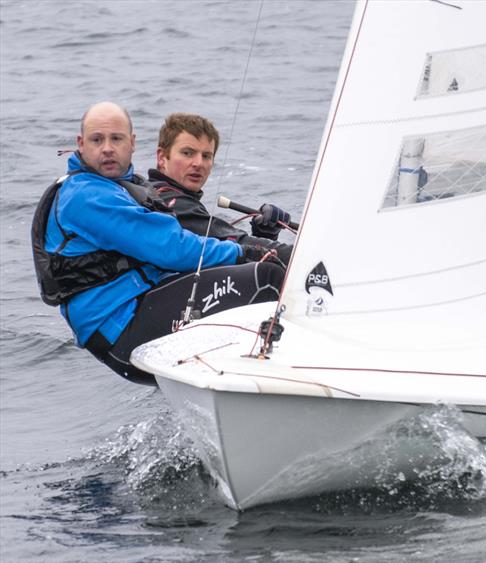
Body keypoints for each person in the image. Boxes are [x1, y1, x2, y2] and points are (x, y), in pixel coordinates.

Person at [32, 101, 285, 385]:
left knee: (254, 281)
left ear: (132, 143)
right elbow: (171, 249)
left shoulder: (121, 186)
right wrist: (243, 252)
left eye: (116, 138)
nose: (107, 148)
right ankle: (279, 388)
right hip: (125, 330)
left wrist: (261, 242)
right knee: (267, 278)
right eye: (97, 139)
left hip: (139, 311)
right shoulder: (86, 196)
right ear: (81, 144)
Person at [147, 112, 293, 265]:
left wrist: (265, 234)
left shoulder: (163, 194)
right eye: (187, 153)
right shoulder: (169, 201)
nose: (198, 163)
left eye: (206, 156)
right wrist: (304, 257)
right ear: (162, 158)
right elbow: (235, 243)